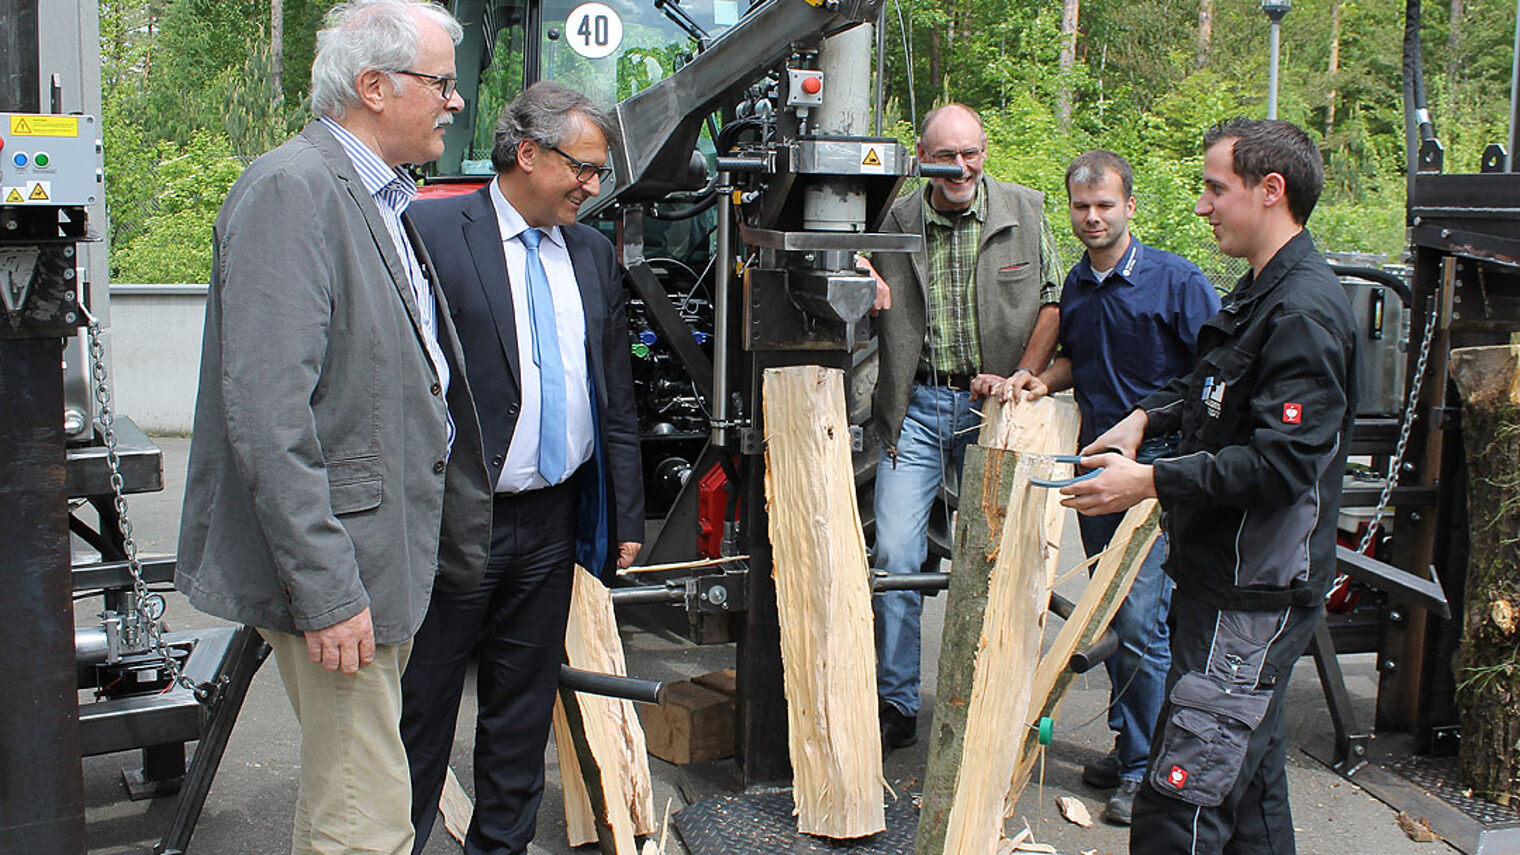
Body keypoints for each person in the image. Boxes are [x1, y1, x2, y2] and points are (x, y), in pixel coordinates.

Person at [175, 2, 492, 853]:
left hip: (375, 557)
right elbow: (268, 414)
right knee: (368, 821)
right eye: (441, 84)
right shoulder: (293, 188)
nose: (455, 103)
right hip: (340, 570)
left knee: (347, 803)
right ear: (374, 87)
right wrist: (326, 587)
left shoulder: (375, 193)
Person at [1060, 119, 1358, 853]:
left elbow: (1281, 464)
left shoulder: (1305, 310)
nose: (1202, 205)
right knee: (1250, 793)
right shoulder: (1257, 291)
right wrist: (1142, 418)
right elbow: (1204, 387)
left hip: (1251, 591)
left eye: (1215, 188)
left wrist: (1151, 480)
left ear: (1271, 190)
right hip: (1219, 578)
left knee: (1182, 799)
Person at [399, 81, 645, 855]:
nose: (593, 185)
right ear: (527, 152)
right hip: (456, 518)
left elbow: (614, 394)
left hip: (551, 522)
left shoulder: (593, 253)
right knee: (420, 714)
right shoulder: (431, 229)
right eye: (584, 166)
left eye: (601, 173)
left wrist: (625, 517)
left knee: (519, 717)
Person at [1006, 149, 1219, 825]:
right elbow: (1083, 358)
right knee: (1112, 614)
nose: (1093, 217)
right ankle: (1132, 739)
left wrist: (1184, 466)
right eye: (1081, 206)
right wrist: (1048, 378)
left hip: (1154, 475)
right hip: (1097, 466)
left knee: (1140, 622)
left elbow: (1213, 377)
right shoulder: (1077, 284)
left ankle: (1146, 771)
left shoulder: (1177, 282)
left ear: (1131, 206)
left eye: (1106, 205)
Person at [863, 102, 1062, 752]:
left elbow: (1055, 300)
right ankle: (896, 701)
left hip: (996, 411)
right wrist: (858, 264)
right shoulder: (897, 215)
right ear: (921, 155)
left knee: (1003, 556)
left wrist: (1021, 378)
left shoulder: (1025, 212)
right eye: (945, 155)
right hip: (915, 408)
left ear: (985, 150)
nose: (960, 167)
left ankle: (988, 699)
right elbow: (839, 251)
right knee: (895, 556)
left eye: (971, 152)